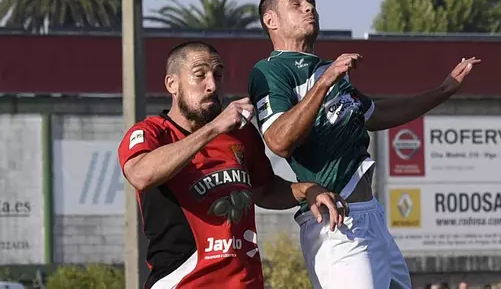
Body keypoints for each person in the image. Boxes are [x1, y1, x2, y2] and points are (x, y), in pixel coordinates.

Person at [248, 0, 480, 289]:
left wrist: (443, 91)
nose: (309, 8)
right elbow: (278, 140)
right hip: (337, 221)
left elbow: (376, 113)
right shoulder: (270, 70)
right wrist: (326, 81)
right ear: (271, 20)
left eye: (311, 1)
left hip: (371, 215)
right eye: (296, 3)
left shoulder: (329, 70)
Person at [118, 41, 347, 289]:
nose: (212, 85)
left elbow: (264, 189)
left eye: (218, 75)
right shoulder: (152, 133)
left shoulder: (241, 133)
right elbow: (140, 174)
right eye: (200, 75)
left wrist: (306, 190)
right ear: (172, 84)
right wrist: (214, 127)